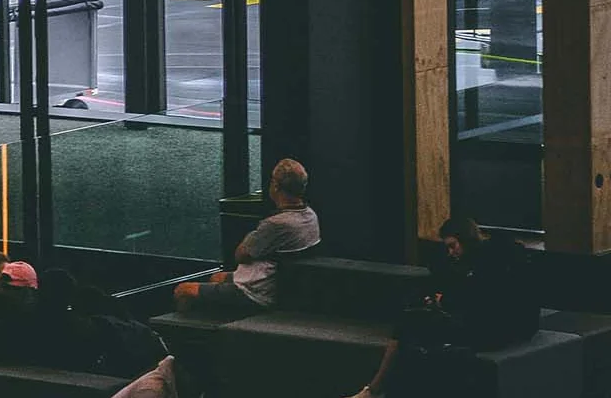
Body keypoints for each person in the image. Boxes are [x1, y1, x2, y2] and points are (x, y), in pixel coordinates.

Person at [342, 217, 538, 398]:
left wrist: (443, 302)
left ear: (465, 239)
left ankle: (373, 390)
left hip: (490, 334)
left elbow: (480, 302)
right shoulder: (493, 257)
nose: (451, 252)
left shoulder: (485, 264)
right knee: (416, 327)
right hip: (504, 329)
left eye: (453, 246)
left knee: (408, 324)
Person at [174, 158, 320, 315]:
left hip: (256, 291)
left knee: (183, 290)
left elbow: (240, 255)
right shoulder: (310, 216)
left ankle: (181, 335)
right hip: (273, 281)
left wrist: (253, 235)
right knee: (216, 277)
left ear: (276, 186)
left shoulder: (275, 224)